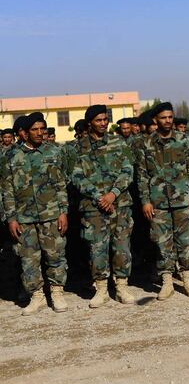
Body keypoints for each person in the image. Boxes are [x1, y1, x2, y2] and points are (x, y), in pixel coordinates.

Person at [1, 113, 70, 315]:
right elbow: (7, 190)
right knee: (28, 259)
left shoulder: (53, 152)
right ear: (25, 133)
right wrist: (11, 218)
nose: (40, 133)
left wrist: (63, 212)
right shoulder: (11, 156)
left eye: (42, 129)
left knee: (55, 255)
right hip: (24, 218)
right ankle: (37, 296)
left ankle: (57, 292)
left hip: (51, 214)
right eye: (35, 129)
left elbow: (60, 185)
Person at [134, 102, 189, 300]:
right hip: (158, 202)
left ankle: (187, 279)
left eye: (170, 117)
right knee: (162, 242)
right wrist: (145, 201)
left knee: (186, 241)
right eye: (164, 118)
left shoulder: (184, 140)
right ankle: (167, 281)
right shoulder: (146, 144)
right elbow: (142, 176)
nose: (168, 121)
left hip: (183, 200)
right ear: (156, 120)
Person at [71, 104, 136, 308]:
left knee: (122, 247)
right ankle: (101, 289)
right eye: (98, 120)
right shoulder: (77, 147)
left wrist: (112, 194)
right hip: (93, 207)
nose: (102, 123)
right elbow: (76, 176)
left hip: (120, 204)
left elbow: (128, 170)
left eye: (105, 119)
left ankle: (122, 286)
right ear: (90, 122)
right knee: (97, 248)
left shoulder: (119, 142)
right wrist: (100, 197)